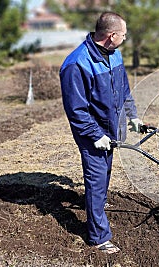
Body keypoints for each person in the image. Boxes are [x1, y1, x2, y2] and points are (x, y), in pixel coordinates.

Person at [59, 12, 142, 254]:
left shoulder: (114, 54)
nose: (125, 39)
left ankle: (98, 203)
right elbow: (76, 110)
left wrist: (133, 116)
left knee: (105, 170)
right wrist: (96, 135)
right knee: (96, 178)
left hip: (110, 128)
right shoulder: (76, 64)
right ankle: (98, 237)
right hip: (91, 133)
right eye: (123, 35)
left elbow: (124, 89)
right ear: (111, 35)